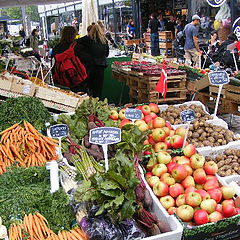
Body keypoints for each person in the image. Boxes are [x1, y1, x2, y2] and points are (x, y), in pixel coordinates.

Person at [76, 24, 109, 98]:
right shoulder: (104, 41)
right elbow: (106, 54)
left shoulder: (87, 39)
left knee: (87, 90)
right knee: (98, 90)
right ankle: (97, 105)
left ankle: (88, 105)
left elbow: (75, 43)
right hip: (100, 68)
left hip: (88, 68)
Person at [51, 26, 87, 93]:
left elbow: (52, 65)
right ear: (73, 35)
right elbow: (85, 62)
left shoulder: (56, 48)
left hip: (61, 81)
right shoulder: (76, 47)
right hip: (77, 81)